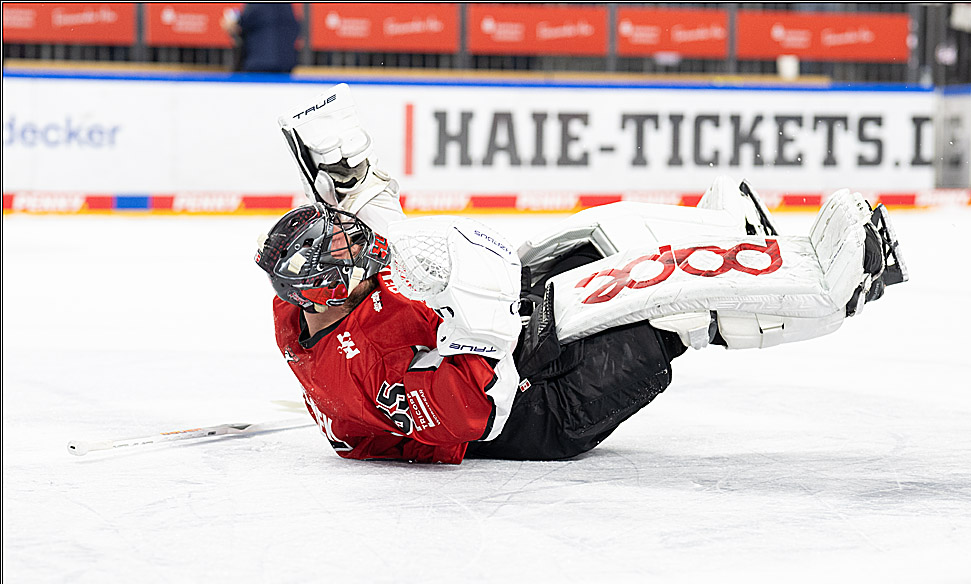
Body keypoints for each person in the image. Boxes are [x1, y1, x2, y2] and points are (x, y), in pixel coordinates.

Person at [256, 84, 909, 464]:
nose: (364, 249)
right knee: (668, 311)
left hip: (510, 327)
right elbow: (465, 419)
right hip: (537, 406)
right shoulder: (368, 367)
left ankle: (730, 237)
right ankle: (832, 287)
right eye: (353, 253)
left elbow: (375, 246)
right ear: (333, 290)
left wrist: (349, 178)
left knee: (610, 231)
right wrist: (468, 324)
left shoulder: (308, 307)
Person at [221, 3, 300, 74]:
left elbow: (242, 23)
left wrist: (232, 23)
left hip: (260, 65)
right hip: (285, 64)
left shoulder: (256, 5)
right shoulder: (287, 6)